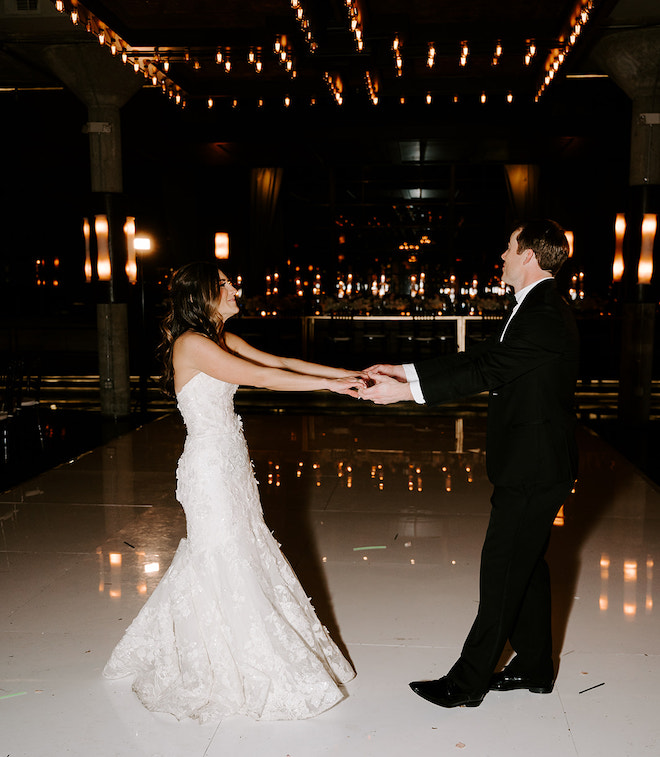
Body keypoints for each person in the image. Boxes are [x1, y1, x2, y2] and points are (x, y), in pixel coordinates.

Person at [104, 261, 360, 722]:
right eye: (223, 284)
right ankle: (234, 658)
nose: (235, 287)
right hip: (208, 469)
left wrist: (344, 374)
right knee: (224, 554)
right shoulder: (193, 344)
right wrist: (330, 385)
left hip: (232, 463)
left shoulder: (221, 338)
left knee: (240, 549)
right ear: (201, 295)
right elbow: (263, 378)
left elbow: (278, 363)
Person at [359, 219, 579, 708]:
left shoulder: (543, 312)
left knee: (502, 568)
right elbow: (482, 355)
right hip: (532, 462)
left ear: (528, 256)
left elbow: (487, 369)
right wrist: (407, 371)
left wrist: (407, 394)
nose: (500, 254)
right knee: (527, 565)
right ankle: (536, 667)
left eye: (507, 246)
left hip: (535, 466)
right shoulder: (534, 307)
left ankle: (468, 681)